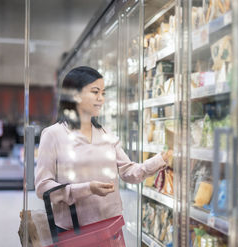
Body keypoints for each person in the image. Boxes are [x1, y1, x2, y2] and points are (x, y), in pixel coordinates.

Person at [35, 66, 173, 233]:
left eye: (103, 93)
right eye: (95, 92)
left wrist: (161, 159)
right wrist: (87, 188)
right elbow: (43, 188)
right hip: (73, 230)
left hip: (110, 227)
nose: (101, 99)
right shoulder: (53, 135)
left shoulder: (106, 135)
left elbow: (129, 172)